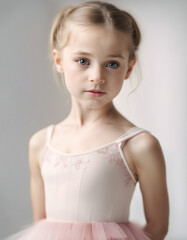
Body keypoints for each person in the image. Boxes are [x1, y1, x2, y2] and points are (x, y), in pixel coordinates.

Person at [3, 1, 169, 239]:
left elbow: (157, 229)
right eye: (83, 61)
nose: (97, 77)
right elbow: (42, 224)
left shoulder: (138, 145)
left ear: (129, 68)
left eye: (112, 64)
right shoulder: (40, 143)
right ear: (59, 60)